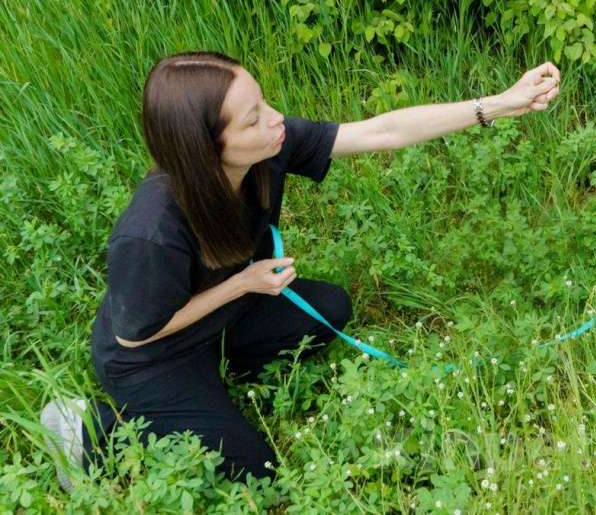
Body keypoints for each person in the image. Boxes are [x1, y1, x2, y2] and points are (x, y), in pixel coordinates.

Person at [40, 51, 560, 490]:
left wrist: (500, 104)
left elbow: (383, 131)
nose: (276, 120)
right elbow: (137, 335)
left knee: (329, 310)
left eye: (264, 102)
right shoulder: (150, 232)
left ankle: (212, 388)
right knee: (257, 470)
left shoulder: (270, 146)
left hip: (223, 319)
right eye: (253, 119)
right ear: (206, 148)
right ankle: (86, 429)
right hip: (154, 356)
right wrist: (243, 283)